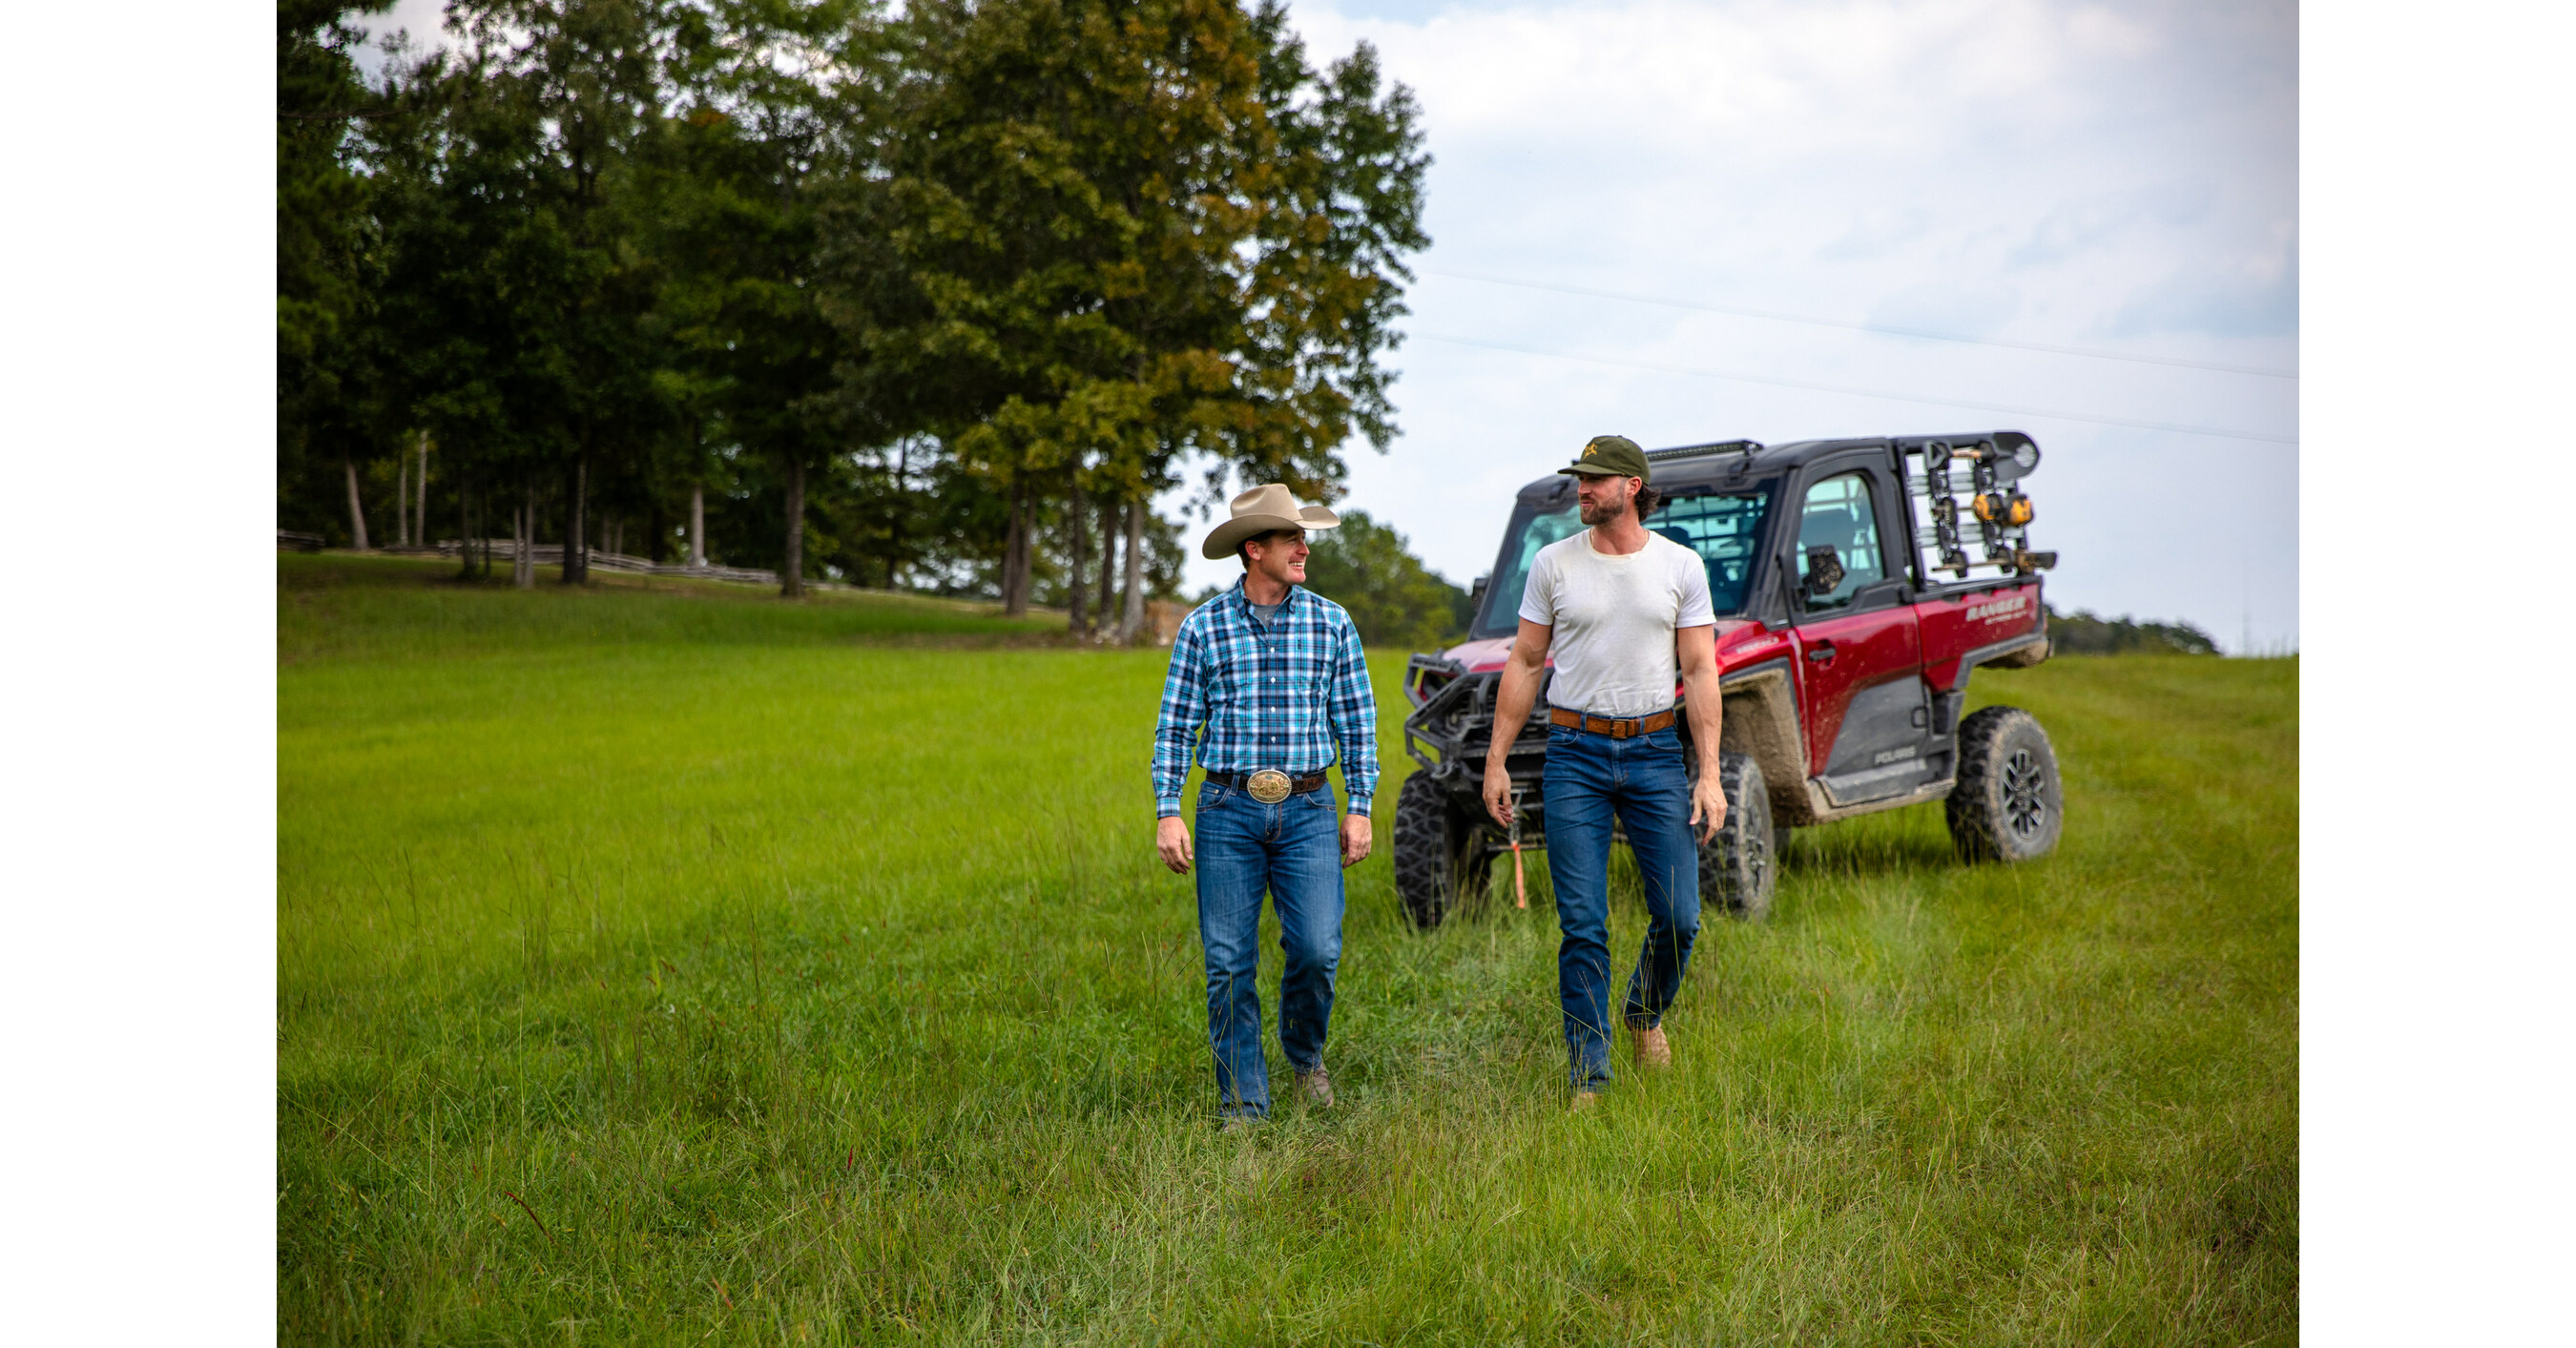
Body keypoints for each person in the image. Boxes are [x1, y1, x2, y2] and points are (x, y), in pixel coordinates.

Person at [1482, 435, 1727, 1109]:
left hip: (1653, 753)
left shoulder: (1680, 566)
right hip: (1575, 755)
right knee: (1583, 924)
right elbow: (1526, 662)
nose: (1581, 489)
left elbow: (1702, 669)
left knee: (1679, 915)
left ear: (1632, 487)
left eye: (1594, 480)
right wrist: (1497, 759)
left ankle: (1644, 1011)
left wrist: (1707, 773)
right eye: (1580, 479)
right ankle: (1590, 1072)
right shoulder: (1553, 564)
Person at [1153, 483, 1379, 1126]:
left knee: (1316, 949)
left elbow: (1357, 724)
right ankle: (1243, 1101)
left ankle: (1305, 1056)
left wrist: (1358, 804)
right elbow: (1175, 727)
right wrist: (1169, 807)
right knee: (1228, 963)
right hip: (1227, 808)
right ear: (1254, 550)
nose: (1304, 548)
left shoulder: (1332, 622)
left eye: (1303, 538)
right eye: (1291, 539)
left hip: (1308, 808)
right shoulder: (1202, 627)